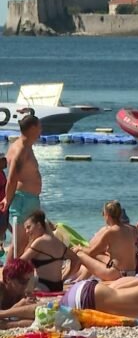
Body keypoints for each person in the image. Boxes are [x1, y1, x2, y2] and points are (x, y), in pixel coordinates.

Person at [0, 115, 43, 257]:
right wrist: (7, 198)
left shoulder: (21, 146)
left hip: (28, 199)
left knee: (26, 240)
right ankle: (9, 274)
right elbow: (12, 178)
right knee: (19, 242)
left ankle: (18, 273)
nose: (41, 130)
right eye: (39, 126)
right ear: (32, 128)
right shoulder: (21, 150)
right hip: (24, 200)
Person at [67, 201, 138, 281]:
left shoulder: (110, 232)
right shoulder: (131, 229)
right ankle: (79, 279)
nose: (102, 215)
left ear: (107, 215)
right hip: (131, 273)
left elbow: (91, 252)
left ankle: (63, 280)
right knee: (97, 257)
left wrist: (79, 248)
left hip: (117, 274)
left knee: (80, 255)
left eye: (103, 213)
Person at [18, 210, 79, 291]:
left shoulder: (39, 242)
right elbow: (76, 259)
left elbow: (19, 262)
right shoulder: (57, 242)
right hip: (58, 286)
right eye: (25, 229)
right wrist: (65, 277)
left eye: (29, 227)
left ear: (39, 225)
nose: (26, 231)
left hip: (43, 286)